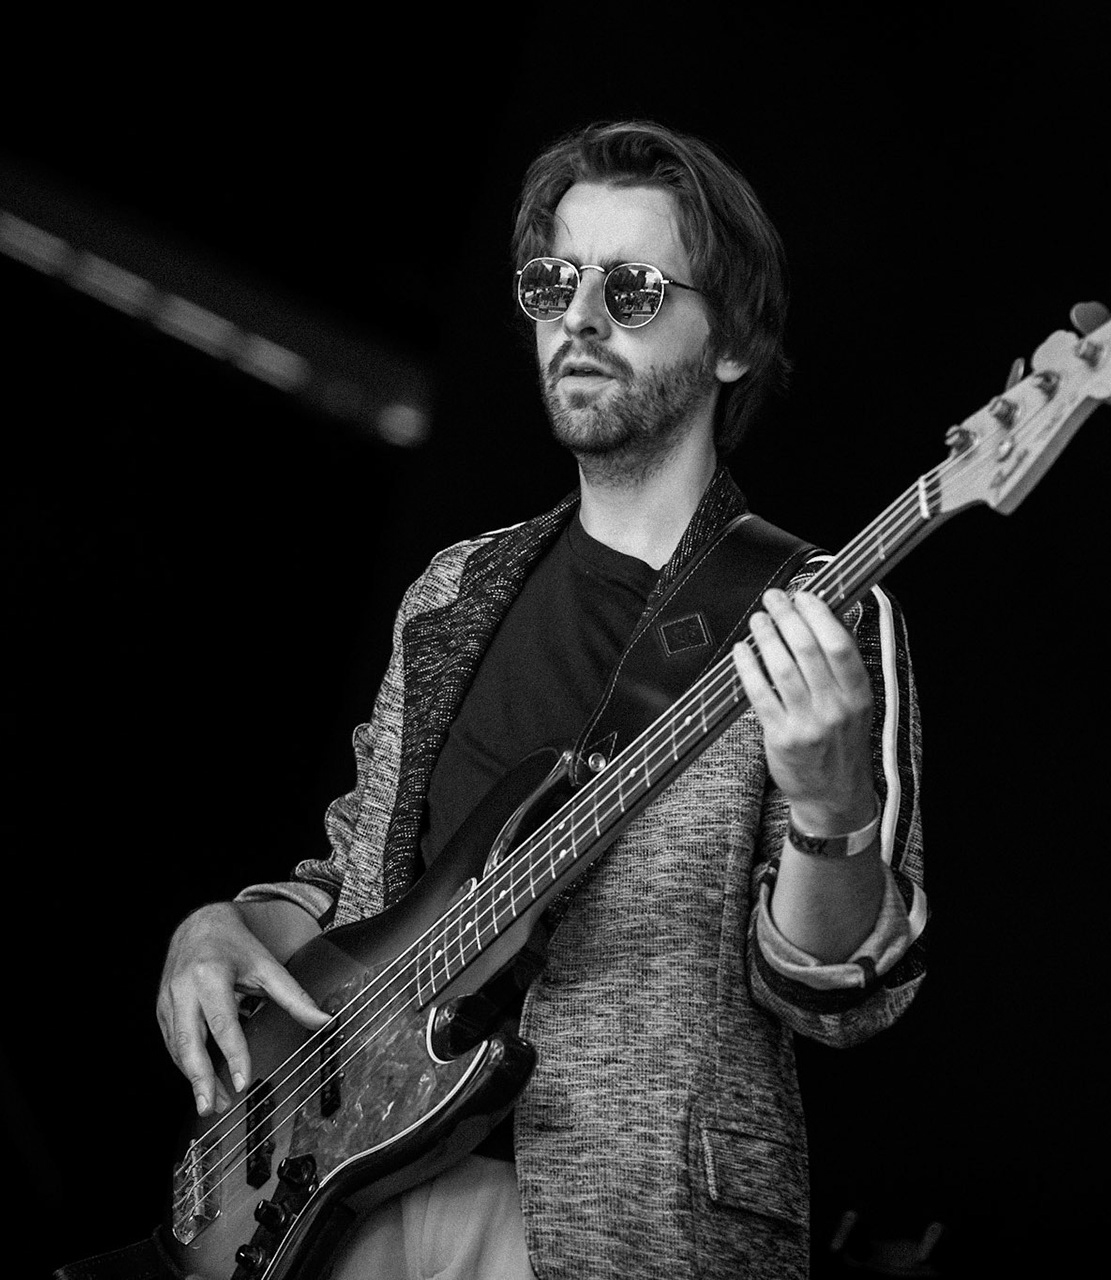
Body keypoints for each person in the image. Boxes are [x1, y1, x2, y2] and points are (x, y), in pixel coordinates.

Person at [156, 119, 928, 1280]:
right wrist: (218, 927)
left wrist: (830, 807)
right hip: (353, 1200)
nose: (577, 318)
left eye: (630, 288)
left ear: (732, 343)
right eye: (553, 281)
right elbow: (357, 890)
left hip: (625, 1221)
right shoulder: (455, 589)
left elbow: (833, 998)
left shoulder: (812, 610)